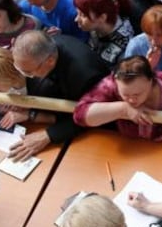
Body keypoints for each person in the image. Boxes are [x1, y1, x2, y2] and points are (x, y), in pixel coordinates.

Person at [11, 30, 107, 158]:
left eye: (28, 72)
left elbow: (92, 113)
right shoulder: (44, 50)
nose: (26, 76)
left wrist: (49, 135)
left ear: (50, 61)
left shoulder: (84, 74)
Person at [74, 53, 162, 141]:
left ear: (151, 80)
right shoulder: (111, 84)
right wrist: (123, 108)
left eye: (137, 94)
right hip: (128, 146)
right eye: (125, 95)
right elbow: (80, 115)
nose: (131, 100)